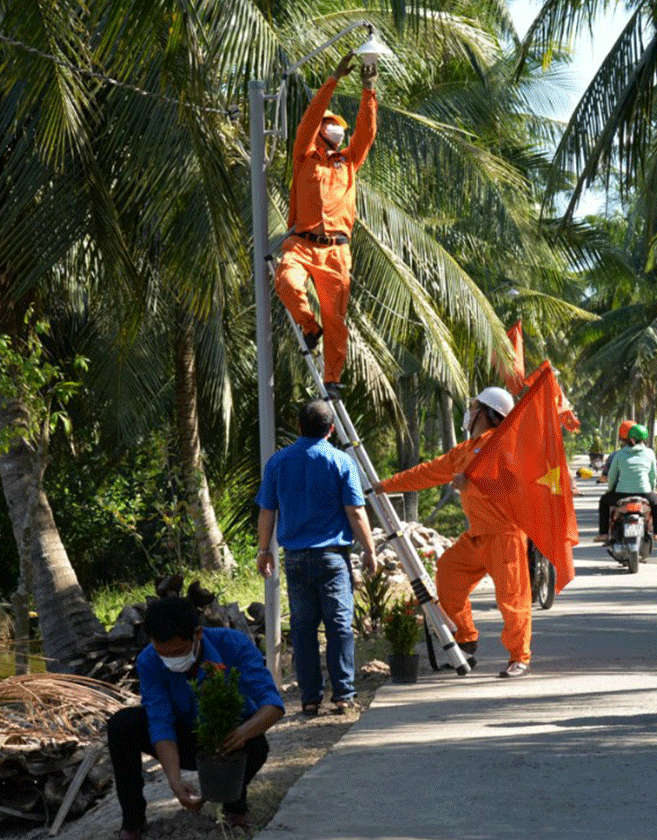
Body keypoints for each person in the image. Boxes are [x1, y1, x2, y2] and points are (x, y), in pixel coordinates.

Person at [372, 387, 534, 678]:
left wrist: (473, 485)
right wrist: (385, 485)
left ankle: (518, 656)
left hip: (505, 535)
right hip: (477, 535)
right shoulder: (465, 450)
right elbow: (427, 472)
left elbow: (513, 485)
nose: (470, 411)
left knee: (512, 600)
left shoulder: (502, 445)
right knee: (448, 572)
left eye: (474, 406)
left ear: (488, 412)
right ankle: (466, 638)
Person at [106, 597, 284, 839]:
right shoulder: (148, 661)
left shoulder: (232, 644)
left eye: (178, 652)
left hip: (229, 739)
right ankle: (133, 822)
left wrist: (243, 733)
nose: (171, 659)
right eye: (163, 653)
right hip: (183, 741)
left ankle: (234, 807)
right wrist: (174, 780)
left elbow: (272, 705)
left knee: (256, 744)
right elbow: (160, 722)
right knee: (122, 724)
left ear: (198, 634)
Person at [256, 399, 378, 717]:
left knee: (303, 628)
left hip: (295, 558)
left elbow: (267, 510)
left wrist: (263, 551)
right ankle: (343, 695)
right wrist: (369, 549)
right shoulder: (341, 461)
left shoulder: (277, 463)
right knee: (339, 626)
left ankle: (310, 698)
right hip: (332, 558)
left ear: (298, 427)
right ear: (332, 429)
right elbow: (355, 510)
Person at [275, 51, 379, 397]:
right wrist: (332, 82)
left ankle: (332, 378)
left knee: (337, 320)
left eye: (338, 127)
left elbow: (366, 132)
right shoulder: (304, 156)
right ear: (322, 130)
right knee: (287, 282)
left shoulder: (348, 161)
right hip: (302, 245)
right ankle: (308, 325)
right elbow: (308, 121)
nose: (336, 130)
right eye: (331, 124)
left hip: (336, 251)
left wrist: (368, 88)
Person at [595, 423, 657, 542]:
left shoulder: (619, 454)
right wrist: (651, 490)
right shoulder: (650, 453)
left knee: (604, 501)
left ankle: (603, 534)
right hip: (645, 493)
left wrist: (610, 490)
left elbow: (612, 476)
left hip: (621, 494)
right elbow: (653, 476)